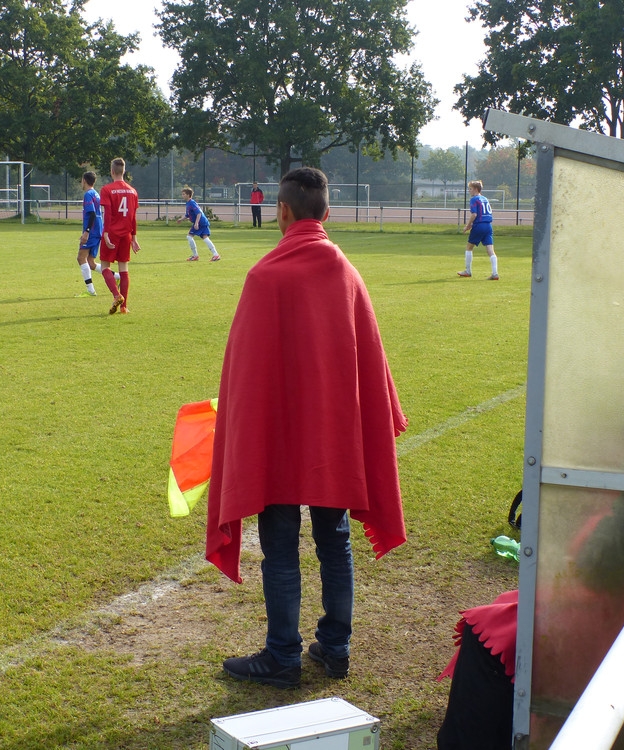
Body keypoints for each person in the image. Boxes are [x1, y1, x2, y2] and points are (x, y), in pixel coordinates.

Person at [207, 167, 408, 689]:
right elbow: (368, 363)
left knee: (280, 545)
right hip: (330, 440)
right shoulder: (345, 271)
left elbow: (246, 374)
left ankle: (283, 655)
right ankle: (335, 650)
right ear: (327, 213)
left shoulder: (264, 276)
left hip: (276, 440)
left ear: (282, 211)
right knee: (334, 541)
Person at [98, 157, 139, 314]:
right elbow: (133, 216)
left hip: (112, 233)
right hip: (126, 234)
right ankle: (124, 307)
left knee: (105, 266)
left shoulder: (107, 190)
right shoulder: (132, 191)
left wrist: (106, 233)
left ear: (112, 171)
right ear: (124, 171)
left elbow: (108, 214)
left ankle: (117, 295)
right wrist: (134, 238)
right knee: (124, 268)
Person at [458, 180, 498, 280]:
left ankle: (468, 271)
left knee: (469, 247)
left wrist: (468, 225)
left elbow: (474, 214)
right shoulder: (485, 199)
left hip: (479, 226)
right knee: (490, 250)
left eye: (470, 189)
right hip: (488, 226)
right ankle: (495, 273)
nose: (469, 191)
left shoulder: (474, 199)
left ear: (476, 189)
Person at [76, 171, 104, 297]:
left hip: (92, 231)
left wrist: (86, 232)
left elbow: (92, 213)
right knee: (91, 262)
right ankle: (117, 276)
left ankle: (90, 290)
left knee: (81, 258)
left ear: (85, 181)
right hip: (98, 230)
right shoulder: (96, 194)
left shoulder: (88, 194)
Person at [182, 187, 220, 261]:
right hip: (200, 222)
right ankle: (214, 255)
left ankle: (213, 255)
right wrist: (181, 219)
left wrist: (196, 223)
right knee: (199, 237)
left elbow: (199, 213)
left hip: (201, 223)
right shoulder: (188, 203)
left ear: (188, 195)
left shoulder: (192, 203)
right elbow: (187, 215)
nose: (182, 195)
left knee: (193, 237)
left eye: (184, 194)